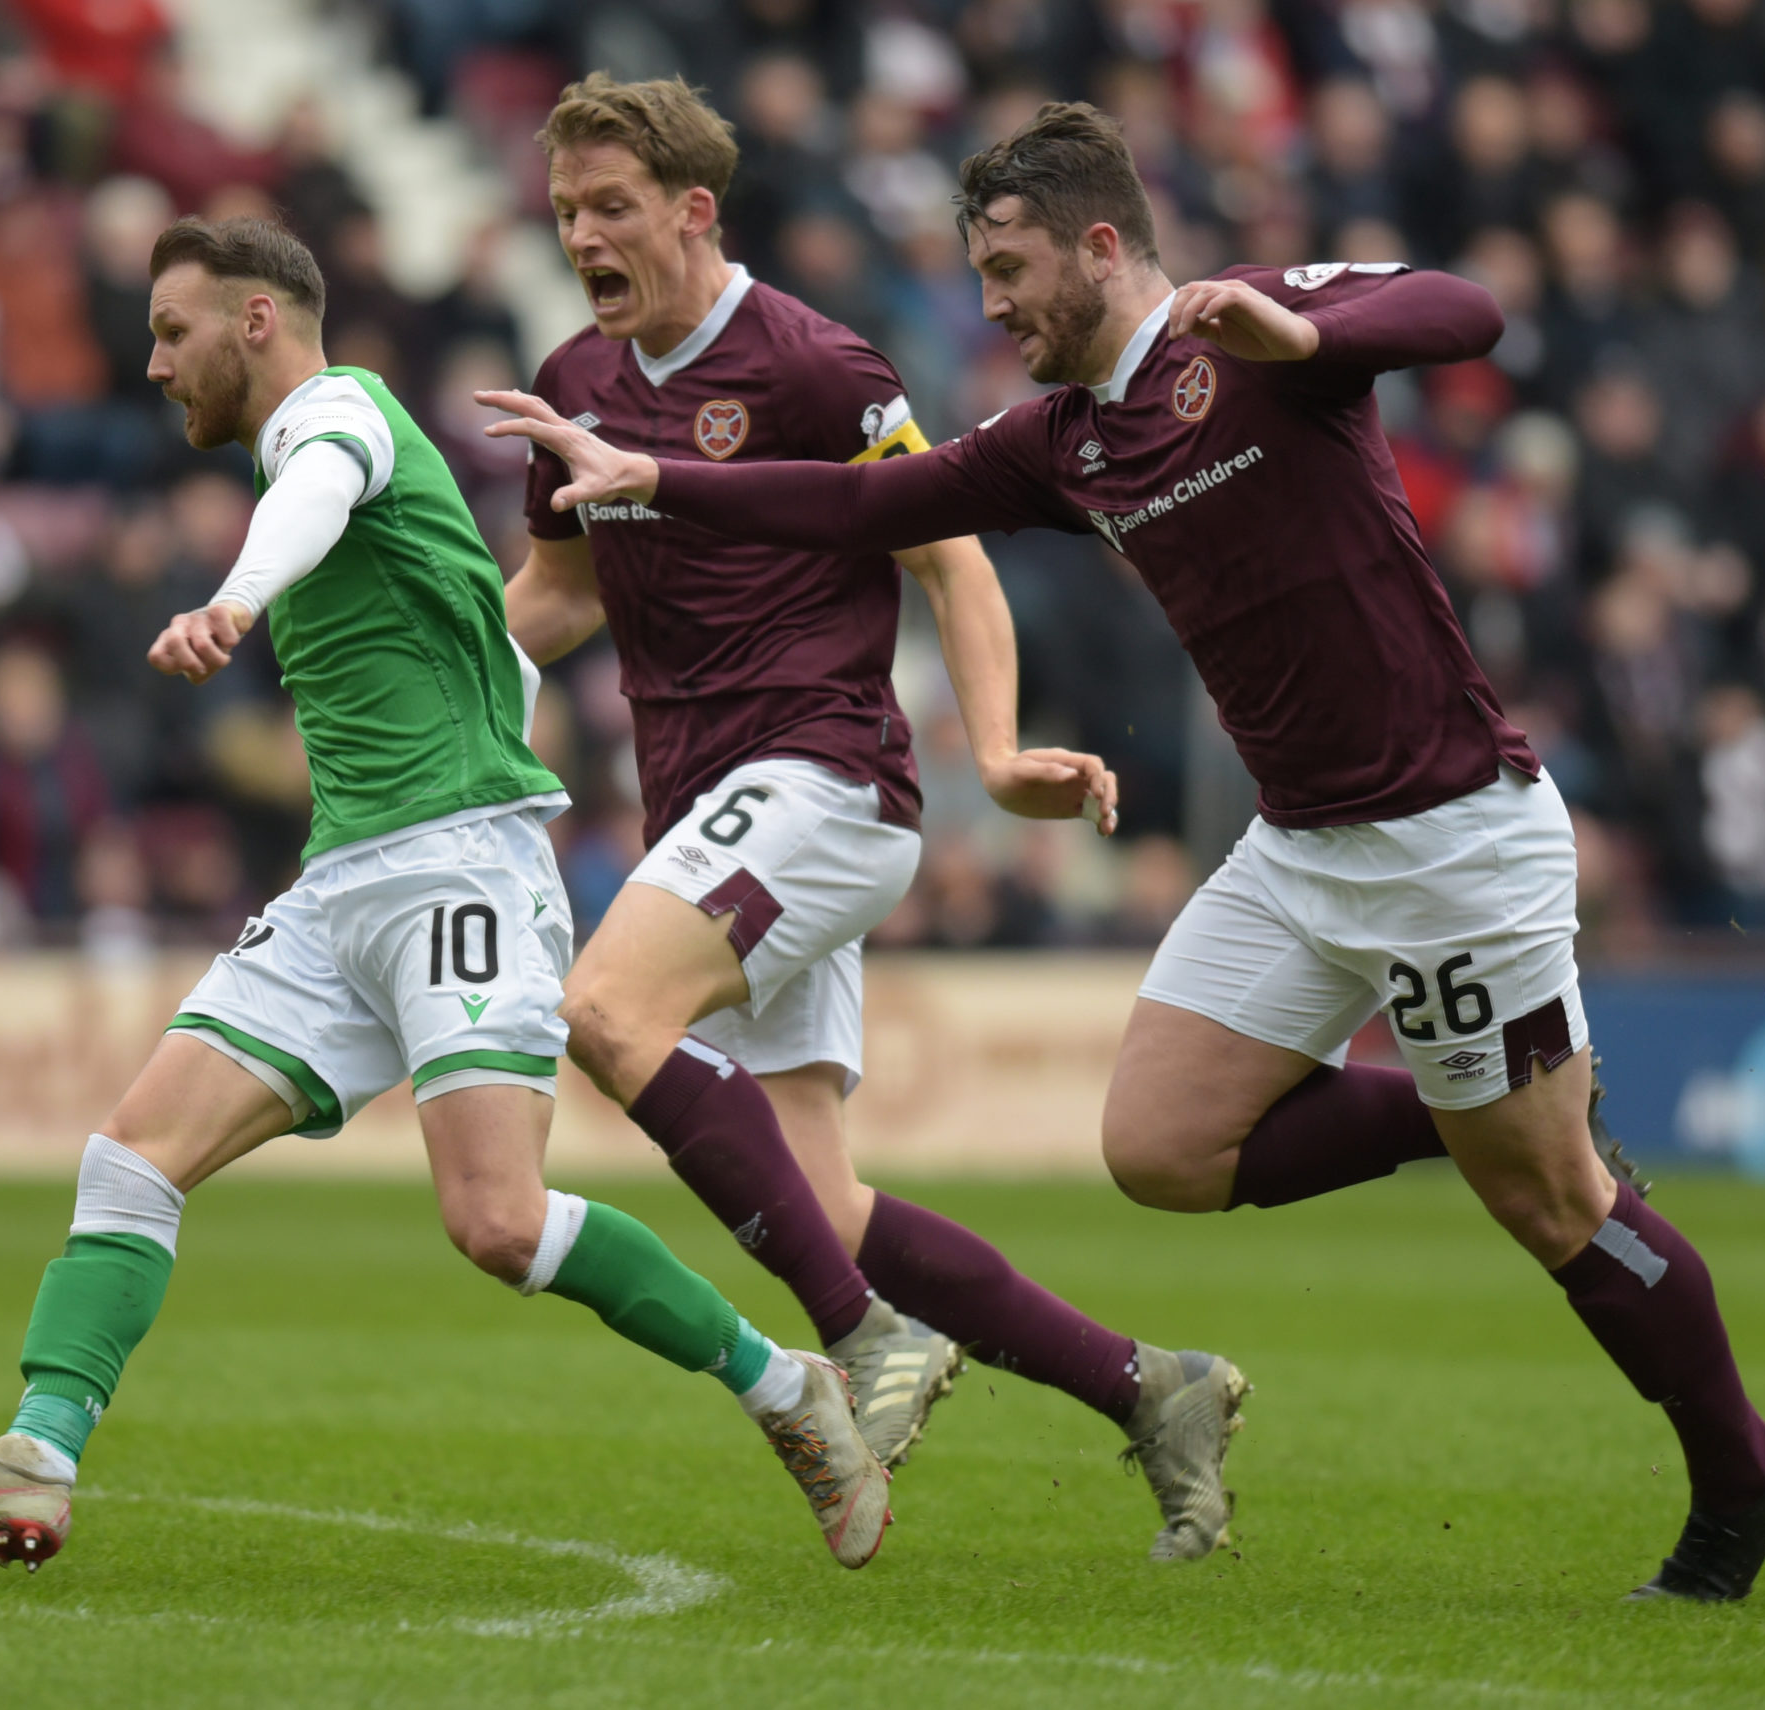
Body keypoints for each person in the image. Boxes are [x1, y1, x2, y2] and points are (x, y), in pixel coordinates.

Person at [483, 102, 1765, 1605]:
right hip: (1303, 848)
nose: (988, 306)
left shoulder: (1250, 336)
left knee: (1556, 1202)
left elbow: (1469, 310)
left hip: (1454, 837)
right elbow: (868, 502)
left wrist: (1308, 337)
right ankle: (1479, 1113)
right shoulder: (1063, 436)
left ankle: (1741, 1478)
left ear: (1099, 245)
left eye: (1007, 271)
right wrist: (659, 478)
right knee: (1161, 1149)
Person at [0, 215, 894, 1574]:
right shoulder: (319, 436)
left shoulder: (340, 412)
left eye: (172, 331)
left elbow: (315, 485)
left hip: (464, 866)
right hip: (343, 883)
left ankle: (782, 1383)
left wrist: (238, 599)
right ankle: (33, 1457)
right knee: (132, 1153)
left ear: (255, 320)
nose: (154, 365)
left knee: (496, 1221)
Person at [500, 74, 1248, 1563]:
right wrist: (450, 677)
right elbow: (563, 592)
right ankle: (1153, 1389)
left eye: (612, 207)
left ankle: (861, 1339)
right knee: (819, 1199)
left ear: (693, 211)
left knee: (602, 1003)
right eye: (567, 209)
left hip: (824, 779)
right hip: (707, 809)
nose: (583, 232)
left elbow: (951, 559)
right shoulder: (575, 378)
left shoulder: (811, 361)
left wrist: (1000, 746)